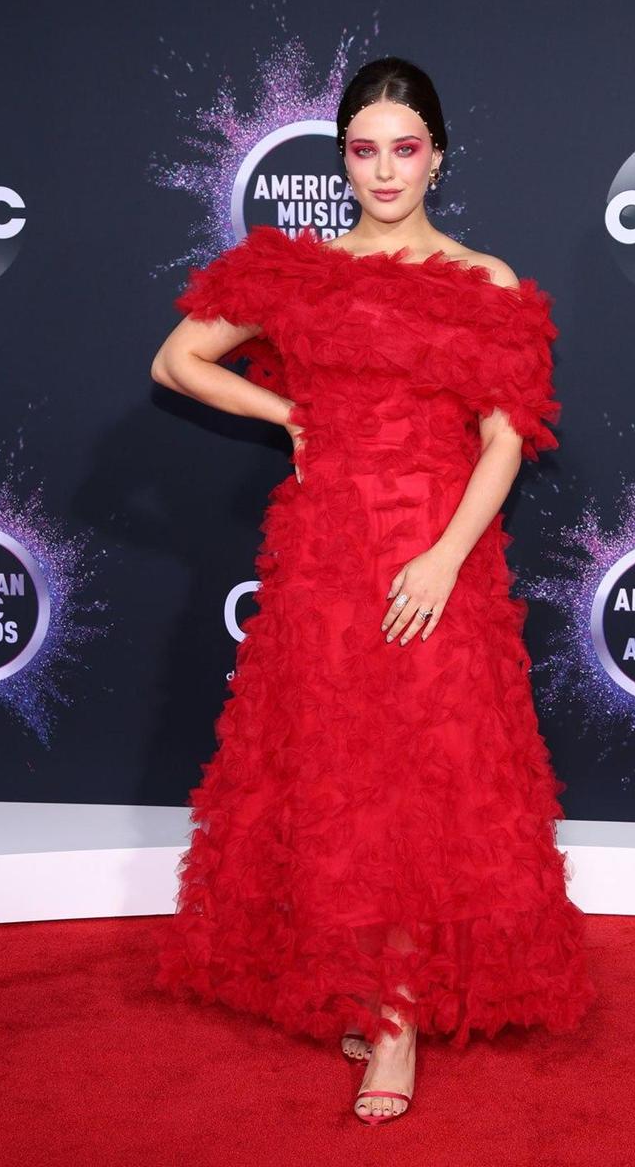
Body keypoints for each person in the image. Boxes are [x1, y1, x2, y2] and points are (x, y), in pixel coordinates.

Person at [150, 55, 596, 1126]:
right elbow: (177, 362)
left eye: (406, 148)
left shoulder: (484, 280)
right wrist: (287, 417)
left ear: (436, 155)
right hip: (325, 562)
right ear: (341, 159)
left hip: (433, 556)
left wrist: (444, 557)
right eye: (364, 149)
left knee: (419, 783)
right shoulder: (297, 273)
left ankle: (395, 1027)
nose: (385, 168)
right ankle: (369, 985)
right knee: (339, 780)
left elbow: (504, 438)